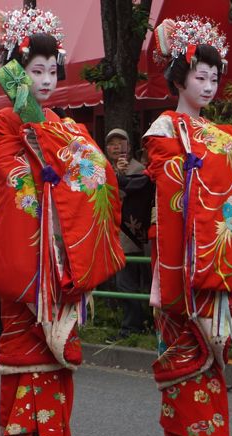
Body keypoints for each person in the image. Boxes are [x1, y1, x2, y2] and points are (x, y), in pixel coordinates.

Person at [0, 8, 124, 436]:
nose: (45, 80)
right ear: (16, 73)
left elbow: (94, 175)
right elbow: (11, 175)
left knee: (57, 363)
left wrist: (59, 162)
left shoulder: (70, 127)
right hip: (28, 259)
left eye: (50, 71)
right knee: (25, 354)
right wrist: (44, 152)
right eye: (33, 71)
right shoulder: (4, 120)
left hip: (62, 261)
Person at [144, 17, 232, 436]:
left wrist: (219, 167)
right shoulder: (162, 129)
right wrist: (218, 169)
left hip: (216, 252)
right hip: (180, 254)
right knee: (181, 338)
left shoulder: (227, 134)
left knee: (212, 348)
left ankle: (208, 435)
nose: (209, 86)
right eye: (200, 76)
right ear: (179, 78)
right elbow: (169, 180)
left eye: (215, 78)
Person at [104, 128, 151, 342]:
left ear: (129, 147)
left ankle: (133, 326)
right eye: (112, 144)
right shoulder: (102, 169)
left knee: (128, 282)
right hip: (109, 233)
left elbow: (126, 195)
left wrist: (120, 176)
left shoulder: (139, 169)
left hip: (130, 235)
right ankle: (130, 322)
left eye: (120, 143)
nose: (116, 147)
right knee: (121, 283)